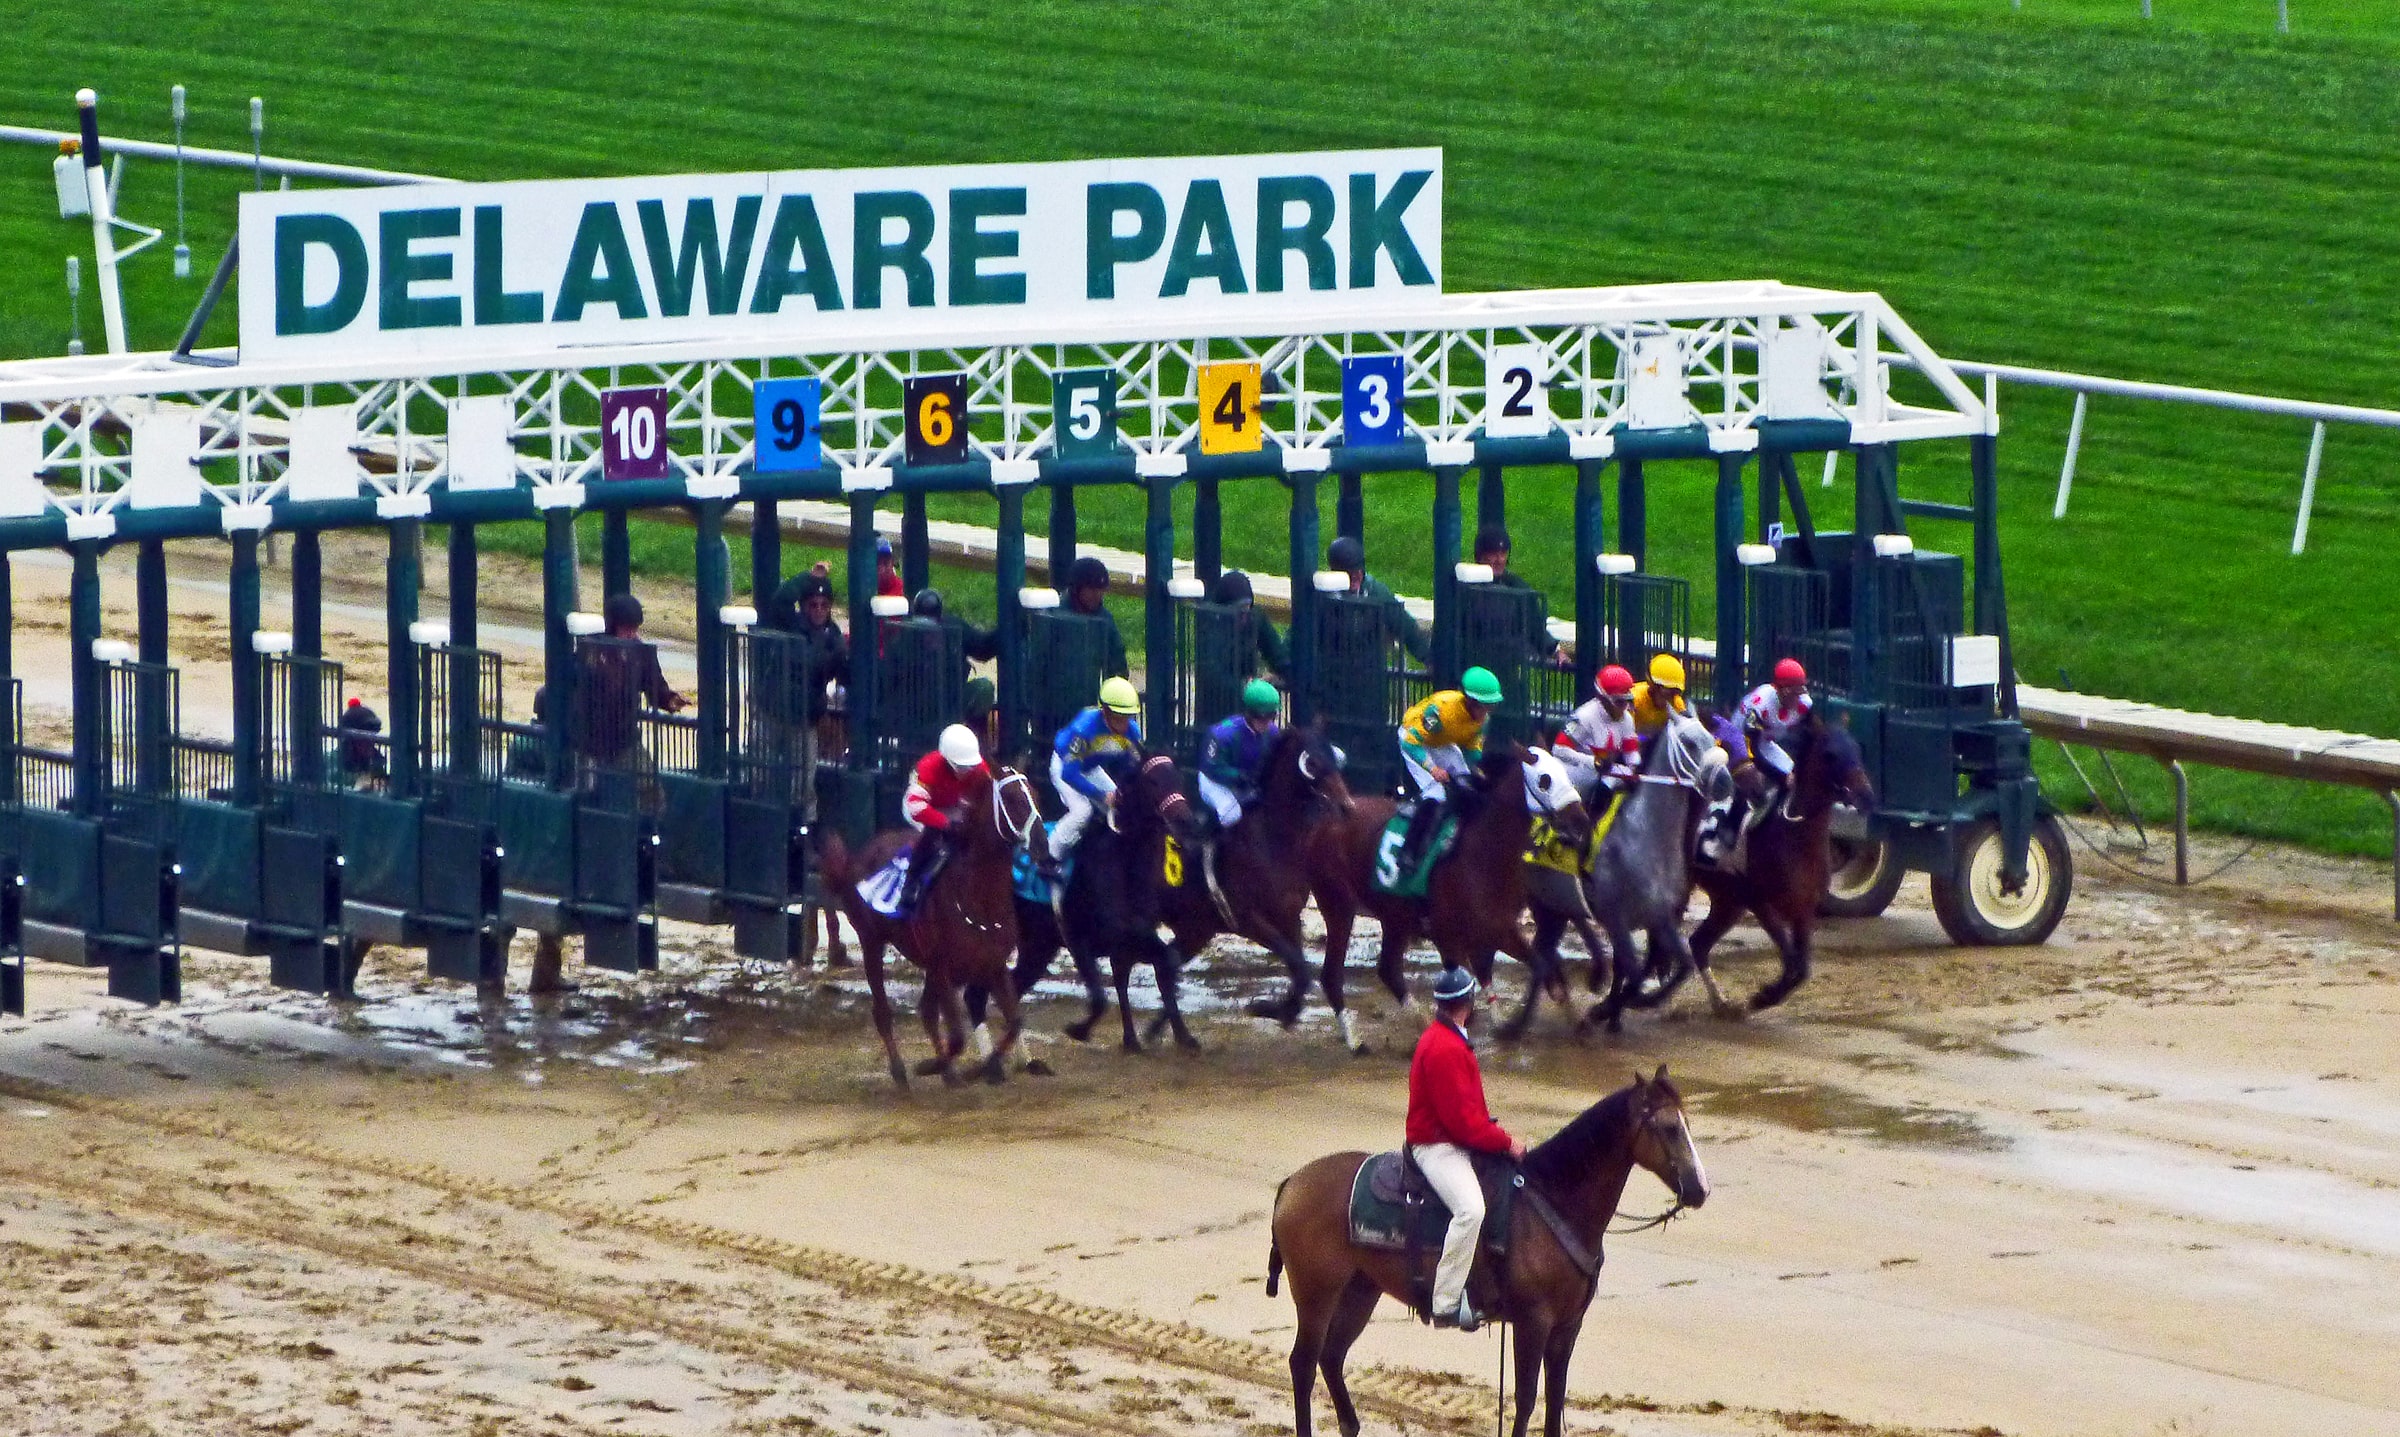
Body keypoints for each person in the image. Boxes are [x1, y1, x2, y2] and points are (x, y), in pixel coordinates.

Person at [1405, 964, 1523, 1332]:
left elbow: (1470, 1115)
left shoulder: (1449, 1038)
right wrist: (1505, 1142)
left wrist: (1491, 1132)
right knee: (1471, 1210)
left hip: (1454, 1139)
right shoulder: (1446, 1048)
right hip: (1437, 1146)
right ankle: (1445, 1301)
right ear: (1468, 1004)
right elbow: (1462, 1124)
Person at [1391, 666, 1503, 873]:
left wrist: (1478, 773)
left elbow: (1472, 751)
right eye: (1484, 706)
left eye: (1491, 706)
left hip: (1442, 744)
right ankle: (1409, 853)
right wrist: (1432, 768)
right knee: (1435, 795)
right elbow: (1410, 743)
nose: (1486, 713)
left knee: (1468, 786)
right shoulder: (1441, 710)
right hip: (1415, 742)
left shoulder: (1483, 721)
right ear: (1470, 701)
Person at [762, 570, 850, 817]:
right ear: (804, 606)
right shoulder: (790, 623)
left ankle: (803, 830)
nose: (819, 610)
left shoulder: (834, 637)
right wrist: (808, 577)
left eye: (824, 605)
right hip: (771, 714)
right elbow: (780, 599)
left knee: (803, 785)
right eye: (813, 604)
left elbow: (843, 671)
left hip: (804, 721)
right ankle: (764, 826)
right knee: (759, 775)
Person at [575, 592, 686, 772]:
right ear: (613, 626)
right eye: (627, 629)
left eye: (635, 628)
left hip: (624, 739)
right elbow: (575, 681)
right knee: (587, 791)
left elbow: (654, 684)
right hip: (588, 739)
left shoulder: (641, 652)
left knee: (649, 784)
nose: (632, 634)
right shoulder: (590, 649)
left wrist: (669, 700)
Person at [897, 723, 988, 914]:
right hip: (925, 807)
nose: (967, 771)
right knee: (931, 838)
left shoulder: (979, 767)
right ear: (947, 760)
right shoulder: (928, 767)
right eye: (962, 766)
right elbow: (916, 807)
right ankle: (910, 885)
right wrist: (945, 823)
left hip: (953, 807)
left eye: (970, 766)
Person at [1050, 675, 1144, 856]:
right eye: (1118, 717)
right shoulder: (1084, 729)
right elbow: (1069, 774)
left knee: (1122, 807)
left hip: (1090, 768)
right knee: (1082, 811)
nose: (1124, 724)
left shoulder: (1132, 732)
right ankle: (1049, 856)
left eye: (1128, 717)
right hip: (1064, 766)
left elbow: (1129, 767)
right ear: (1105, 712)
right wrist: (1100, 795)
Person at [1196, 679, 1282, 837]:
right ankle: (1213, 850)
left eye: (1271, 715)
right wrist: (1239, 776)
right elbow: (1212, 768)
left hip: (1247, 781)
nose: (1266, 722)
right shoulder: (1222, 734)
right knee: (1231, 815)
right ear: (1249, 713)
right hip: (1214, 782)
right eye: (1261, 716)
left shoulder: (1273, 733)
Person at [1326, 535, 1430, 666]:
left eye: (1358, 573)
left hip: (1369, 675)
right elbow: (1297, 635)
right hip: (1331, 673)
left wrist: (1429, 659)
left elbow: (1406, 627)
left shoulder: (1376, 592)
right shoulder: (1324, 596)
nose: (1355, 579)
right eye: (1350, 575)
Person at [1471, 524, 1561, 664]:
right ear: (1481, 555)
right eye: (1493, 554)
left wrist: (1555, 650)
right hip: (1474, 664)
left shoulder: (1517, 586)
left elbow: (1535, 627)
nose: (1499, 559)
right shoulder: (1466, 587)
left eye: (1503, 553)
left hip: (1508, 665)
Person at [1551, 664, 1639, 803]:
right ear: (1602, 698)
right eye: (1619, 702)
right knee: (1600, 784)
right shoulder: (1584, 716)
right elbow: (1558, 750)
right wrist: (1593, 762)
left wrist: (1635, 768)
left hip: (1605, 771)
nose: (1624, 707)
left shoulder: (1627, 718)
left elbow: (1631, 753)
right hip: (1574, 773)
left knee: (1613, 784)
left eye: (1627, 701)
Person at [1208, 570, 1291, 681]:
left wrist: (1283, 672)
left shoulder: (1254, 616)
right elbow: (1213, 673)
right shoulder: (1213, 625)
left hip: (1249, 681)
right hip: (1220, 688)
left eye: (1248, 607)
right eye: (1240, 610)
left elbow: (1276, 654)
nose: (1245, 615)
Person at [1063, 555, 1131, 679]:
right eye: (1091, 589)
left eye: (1101, 590)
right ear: (1076, 589)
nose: (1097, 595)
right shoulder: (1057, 616)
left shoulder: (1105, 620)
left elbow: (1118, 664)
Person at [1628, 652, 1689, 738]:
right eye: (1667, 692)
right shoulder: (1634, 700)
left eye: (1675, 692)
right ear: (1652, 686)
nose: (1670, 698)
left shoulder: (1677, 703)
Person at [337, 696, 388, 788]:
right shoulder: (334, 762)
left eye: (373, 735)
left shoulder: (375, 760)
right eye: (364, 738)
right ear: (351, 740)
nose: (371, 741)